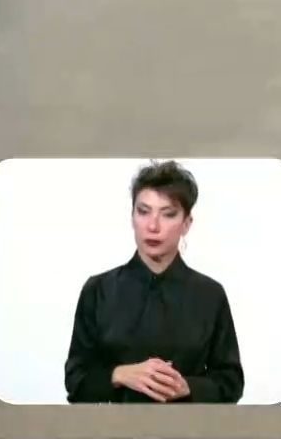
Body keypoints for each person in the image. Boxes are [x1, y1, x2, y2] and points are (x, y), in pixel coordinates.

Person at [63, 160, 244, 404]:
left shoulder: (209, 294)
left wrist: (187, 387)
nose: (153, 226)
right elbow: (75, 381)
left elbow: (231, 383)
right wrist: (120, 375)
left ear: (186, 224)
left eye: (168, 214)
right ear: (132, 217)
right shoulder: (98, 290)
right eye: (143, 211)